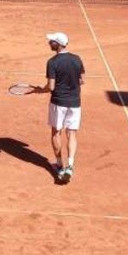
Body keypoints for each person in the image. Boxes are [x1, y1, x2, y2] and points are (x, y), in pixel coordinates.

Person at [30, 32, 85, 184]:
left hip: (58, 103)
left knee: (56, 133)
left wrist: (39, 90)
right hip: (75, 103)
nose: (49, 43)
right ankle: (70, 166)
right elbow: (82, 80)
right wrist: (70, 84)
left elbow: (51, 87)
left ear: (58, 44)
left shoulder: (52, 62)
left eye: (52, 41)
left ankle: (60, 165)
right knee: (72, 134)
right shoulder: (77, 59)